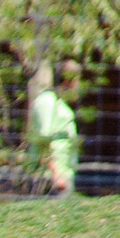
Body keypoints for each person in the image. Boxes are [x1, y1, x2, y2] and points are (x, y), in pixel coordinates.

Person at [29, 60, 81, 197]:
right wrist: (56, 173)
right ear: (68, 79)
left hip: (63, 175)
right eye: (77, 80)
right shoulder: (47, 101)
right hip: (51, 178)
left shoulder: (60, 102)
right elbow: (43, 141)